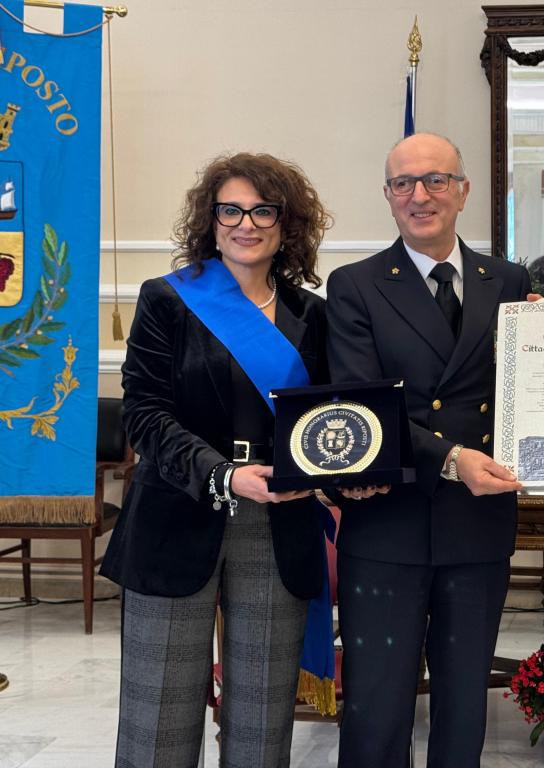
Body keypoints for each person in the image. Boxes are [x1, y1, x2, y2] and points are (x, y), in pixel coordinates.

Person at [100, 152, 334, 767]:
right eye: (231, 210)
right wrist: (223, 474)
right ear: (211, 219)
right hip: (177, 514)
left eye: (263, 211)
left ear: (287, 222)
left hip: (278, 519)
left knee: (262, 722)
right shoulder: (166, 300)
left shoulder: (312, 315)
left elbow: (331, 419)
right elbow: (145, 414)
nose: (245, 224)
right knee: (158, 720)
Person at [325, 132, 530, 768]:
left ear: (463, 192)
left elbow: (530, 387)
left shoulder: (509, 280)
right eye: (404, 183)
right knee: (377, 710)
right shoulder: (355, 285)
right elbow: (366, 407)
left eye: (436, 180)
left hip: (478, 527)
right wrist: (451, 459)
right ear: (388, 196)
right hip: (389, 525)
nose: (420, 195)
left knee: (465, 707)